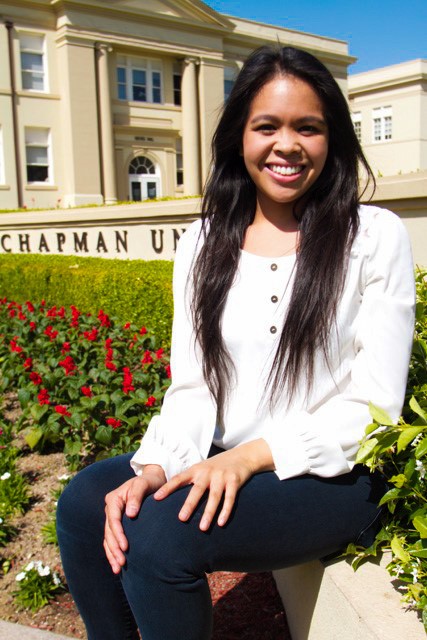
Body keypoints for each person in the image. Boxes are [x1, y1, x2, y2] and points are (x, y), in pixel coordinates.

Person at [57, 46, 415, 640]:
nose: (287, 145)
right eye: (266, 126)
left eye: (308, 127)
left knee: (161, 538)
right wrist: (155, 466)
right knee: (84, 501)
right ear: (239, 138)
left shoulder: (373, 237)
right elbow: (194, 387)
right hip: (224, 455)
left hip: (330, 473)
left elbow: (376, 405)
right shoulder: (204, 242)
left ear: (333, 138)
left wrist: (251, 457)